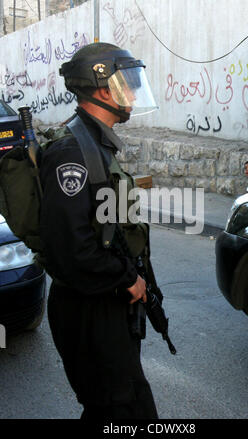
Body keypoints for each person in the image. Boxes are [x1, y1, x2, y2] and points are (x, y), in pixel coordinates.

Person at [39, 42, 159, 420]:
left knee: (118, 406)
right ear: (103, 88)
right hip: (90, 311)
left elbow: (112, 227)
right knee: (118, 409)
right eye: (129, 82)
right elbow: (71, 248)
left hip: (105, 302)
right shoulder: (72, 152)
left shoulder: (96, 144)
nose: (135, 92)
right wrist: (127, 279)